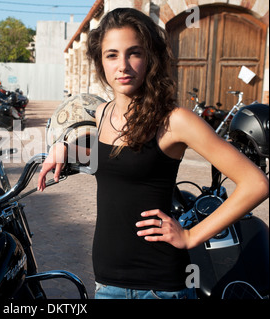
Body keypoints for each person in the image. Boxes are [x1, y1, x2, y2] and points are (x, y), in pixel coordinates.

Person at [37, 8, 269, 299]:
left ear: (150, 58)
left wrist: (190, 235)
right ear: (101, 62)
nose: (123, 66)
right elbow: (114, 162)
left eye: (134, 53)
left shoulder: (175, 121)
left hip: (159, 288)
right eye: (111, 55)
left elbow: (256, 183)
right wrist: (67, 148)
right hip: (107, 284)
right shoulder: (102, 112)